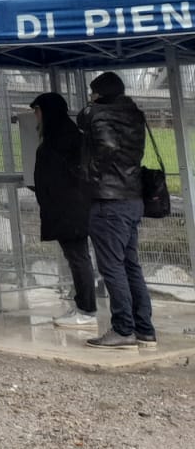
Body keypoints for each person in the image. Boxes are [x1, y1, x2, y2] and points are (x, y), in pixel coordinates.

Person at [77, 72, 155, 349]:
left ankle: (123, 329)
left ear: (99, 93)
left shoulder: (97, 115)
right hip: (132, 198)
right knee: (131, 265)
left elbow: (105, 143)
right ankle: (144, 328)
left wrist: (92, 175)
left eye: (93, 92)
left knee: (111, 267)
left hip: (108, 201)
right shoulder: (134, 115)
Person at [28, 92, 96, 328]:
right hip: (72, 207)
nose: (35, 116)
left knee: (78, 258)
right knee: (79, 258)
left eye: (37, 111)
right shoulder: (70, 135)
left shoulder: (58, 139)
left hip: (69, 209)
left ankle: (86, 309)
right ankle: (85, 305)